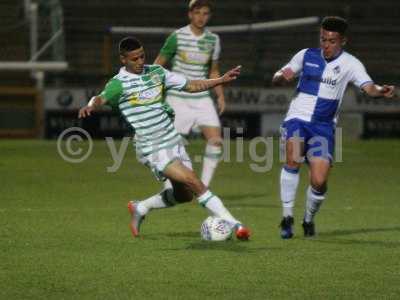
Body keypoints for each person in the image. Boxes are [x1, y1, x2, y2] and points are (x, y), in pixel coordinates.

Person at [78, 37, 250, 240]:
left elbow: (191, 85)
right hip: (151, 146)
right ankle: (235, 224)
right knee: (193, 180)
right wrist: (91, 105)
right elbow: (101, 97)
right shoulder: (119, 84)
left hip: (173, 140)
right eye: (134, 59)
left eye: (142, 56)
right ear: (123, 59)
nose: (140, 61)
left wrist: (219, 80)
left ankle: (141, 207)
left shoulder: (157, 73)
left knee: (184, 195)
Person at [272, 16, 395, 239]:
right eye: (323, 39)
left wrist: (380, 90)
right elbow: (281, 74)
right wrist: (280, 77)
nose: (326, 45)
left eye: (332, 41)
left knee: (319, 182)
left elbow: (368, 86)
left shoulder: (351, 64)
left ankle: (308, 219)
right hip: (297, 119)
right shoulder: (306, 55)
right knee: (292, 160)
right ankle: (287, 217)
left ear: (343, 41)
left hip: (323, 127)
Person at [154, 0, 224, 188]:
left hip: (202, 97)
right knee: (172, 144)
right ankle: (170, 186)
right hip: (178, 96)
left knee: (216, 141)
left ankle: (203, 187)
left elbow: (214, 71)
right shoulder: (177, 36)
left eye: (205, 13)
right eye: (198, 12)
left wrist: (220, 95)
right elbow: (157, 66)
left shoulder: (213, 40)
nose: (201, 17)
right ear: (190, 14)